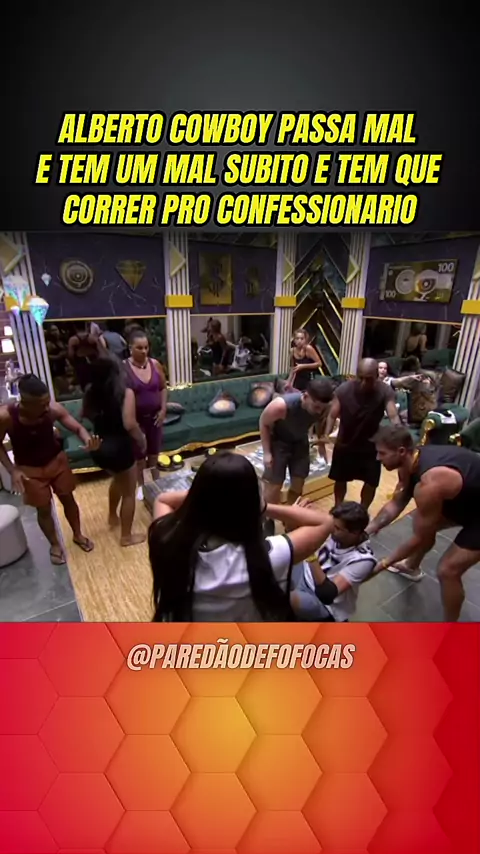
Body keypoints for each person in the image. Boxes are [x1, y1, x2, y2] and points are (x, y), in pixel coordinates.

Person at [148, 450, 333, 621]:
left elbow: (163, 500)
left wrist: (208, 493)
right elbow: (324, 522)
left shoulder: (165, 538)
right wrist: (262, 506)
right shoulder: (269, 556)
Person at [370, 424, 480, 621]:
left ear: (401, 451)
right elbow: (397, 502)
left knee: (447, 570)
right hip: (469, 500)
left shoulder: (430, 483)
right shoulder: (410, 462)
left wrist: (384, 563)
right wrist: (368, 529)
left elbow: (420, 538)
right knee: (425, 522)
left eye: (382, 453)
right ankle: (411, 566)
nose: (378, 458)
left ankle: (451, 629)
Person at [0, 374, 96, 564]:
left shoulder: (52, 409)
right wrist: (12, 470)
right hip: (30, 471)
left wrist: (88, 439)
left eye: (47, 402)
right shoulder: (6, 416)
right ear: (25, 402)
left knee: (68, 499)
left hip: (56, 462)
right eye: (41, 404)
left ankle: (78, 535)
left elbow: (78, 428)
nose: (47, 407)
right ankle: (55, 545)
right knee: (43, 510)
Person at [272, 500, 376, 622]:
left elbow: (326, 594)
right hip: (305, 571)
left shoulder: (363, 560)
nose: (331, 529)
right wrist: (292, 521)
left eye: (337, 528)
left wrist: (309, 551)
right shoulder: (333, 526)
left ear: (354, 533)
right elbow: (293, 537)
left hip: (323, 602)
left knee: (275, 595)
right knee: (273, 567)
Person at [82, 356, 146, 547]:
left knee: (118, 479)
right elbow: (129, 423)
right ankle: (126, 537)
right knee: (129, 492)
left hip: (99, 448)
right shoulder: (125, 393)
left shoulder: (91, 393)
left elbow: (84, 415)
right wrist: (142, 439)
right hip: (120, 448)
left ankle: (112, 516)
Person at [324, 359, 400, 509]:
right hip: (345, 443)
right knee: (340, 479)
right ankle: (338, 508)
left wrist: (399, 437)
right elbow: (332, 415)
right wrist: (326, 436)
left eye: (369, 379)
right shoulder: (343, 389)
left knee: (371, 482)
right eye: (361, 378)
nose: (364, 383)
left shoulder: (385, 391)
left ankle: (363, 510)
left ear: (377, 376)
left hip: (371, 445)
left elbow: (393, 416)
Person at [260, 378, 334, 507]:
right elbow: (263, 423)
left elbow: (319, 421)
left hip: (300, 441)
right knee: (275, 484)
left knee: (298, 482)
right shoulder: (281, 406)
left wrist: (321, 443)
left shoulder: (324, 407)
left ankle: (292, 513)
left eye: (322, 408)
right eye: (316, 407)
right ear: (305, 397)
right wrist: (267, 452)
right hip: (279, 441)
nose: (319, 411)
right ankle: (268, 515)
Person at [124, 329, 168, 500]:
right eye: (139, 348)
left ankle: (156, 483)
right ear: (130, 348)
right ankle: (142, 485)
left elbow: (163, 387)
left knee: (154, 453)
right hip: (136, 421)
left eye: (146, 347)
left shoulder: (155, 364)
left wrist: (163, 410)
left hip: (155, 418)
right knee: (140, 457)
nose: (144, 351)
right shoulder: (124, 368)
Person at [67, 323, 103, 391]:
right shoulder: (93, 338)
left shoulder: (72, 340)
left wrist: (73, 364)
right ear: (86, 326)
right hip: (93, 363)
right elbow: (100, 351)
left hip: (81, 364)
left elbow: (70, 354)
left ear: (75, 327)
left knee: (83, 384)